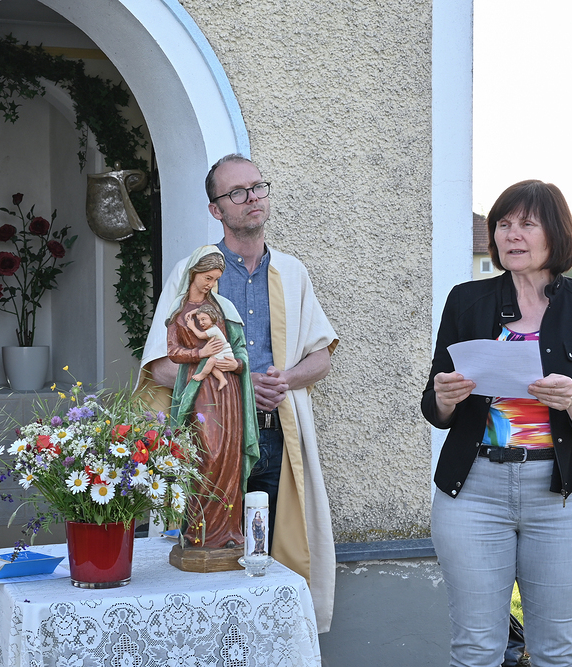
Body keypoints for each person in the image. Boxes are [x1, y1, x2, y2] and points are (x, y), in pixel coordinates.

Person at [422, 179, 572, 667]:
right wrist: (445, 398)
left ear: (556, 233)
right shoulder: (466, 301)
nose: (510, 234)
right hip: (473, 493)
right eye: (503, 224)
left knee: (556, 652)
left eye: (526, 224)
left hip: (561, 497)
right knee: (476, 649)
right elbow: (434, 409)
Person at [139, 154, 339, 632]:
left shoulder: (292, 272)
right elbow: (159, 368)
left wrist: (286, 379)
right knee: (207, 565)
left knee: (271, 569)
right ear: (216, 210)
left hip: (274, 441)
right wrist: (239, 383)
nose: (252, 198)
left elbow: (322, 357)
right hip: (209, 445)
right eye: (236, 192)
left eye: (257, 187)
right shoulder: (191, 277)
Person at [165, 246, 260, 549]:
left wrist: (237, 364)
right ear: (194, 273)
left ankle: (228, 533)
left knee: (230, 458)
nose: (211, 284)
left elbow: (240, 349)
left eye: (216, 279)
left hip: (227, 391)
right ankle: (198, 533)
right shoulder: (179, 312)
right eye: (207, 277)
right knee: (206, 454)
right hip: (198, 392)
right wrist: (199, 353)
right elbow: (173, 352)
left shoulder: (223, 309)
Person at [183, 304, 235, 390]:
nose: (201, 323)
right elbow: (202, 311)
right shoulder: (212, 327)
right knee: (212, 367)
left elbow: (200, 335)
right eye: (199, 320)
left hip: (224, 353)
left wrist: (192, 327)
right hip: (220, 352)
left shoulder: (213, 330)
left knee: (211, 361)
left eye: (203, 319)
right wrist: (192, 312)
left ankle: (202, 375)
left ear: (212, 317)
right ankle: (222, 379)